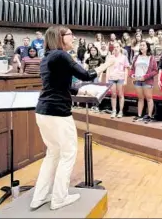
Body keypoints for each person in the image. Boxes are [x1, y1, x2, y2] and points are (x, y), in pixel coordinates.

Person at [31, 26, 111, 210]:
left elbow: (59, 83)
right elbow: (86, 74)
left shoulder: (47, 57)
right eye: (70, 35)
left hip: (43, 111)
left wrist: (78, 89)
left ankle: (39, 197)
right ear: (60, 37)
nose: (73, 38)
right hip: (58, 112)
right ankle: (59, 198)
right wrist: (108, 63)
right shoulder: (61, 55)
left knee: (53, 154)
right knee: (68, 154)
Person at [130, 40, 158, 123]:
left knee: (149, 98)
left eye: (143, 45)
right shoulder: (136, 57)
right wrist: (132, 75)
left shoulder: (151, 57)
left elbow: (155, 71)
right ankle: (139, 115)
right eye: (140, 45)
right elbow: (132, 69)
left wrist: (145, 77)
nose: (141, 47)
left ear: (147, 47)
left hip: (147, 81)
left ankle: (149, 115)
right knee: (140, 98)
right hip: (137, 80)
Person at [105, 42, 130, 118]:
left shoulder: (124, 57)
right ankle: (114, 110)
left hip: (120, 78)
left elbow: (126, 69)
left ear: (120, 48)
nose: (116, 48)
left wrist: (125, 80)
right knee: (113, 95)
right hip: (112, 78)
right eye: (114, 47)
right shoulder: (110, 57)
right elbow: (108, 68)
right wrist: (106, 79)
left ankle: (121, 111)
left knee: (121, 95)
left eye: (117, 46)